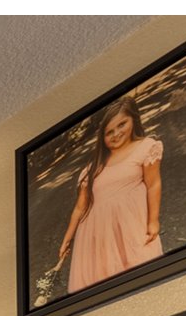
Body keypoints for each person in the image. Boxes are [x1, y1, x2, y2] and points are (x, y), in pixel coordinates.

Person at [58, 95, 164, 293]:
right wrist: (67, 237)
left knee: (139, 271)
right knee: (103, 281)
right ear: (102, 137)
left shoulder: (145, 147)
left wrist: (153, 221)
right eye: (109, 132)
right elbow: (80, 206)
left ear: (133, 119)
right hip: (95, 236)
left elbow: (153, 185)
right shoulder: (93, 168)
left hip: (129, 226)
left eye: (122, 124)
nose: (116, 134)